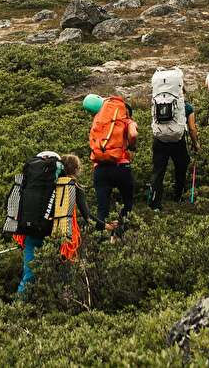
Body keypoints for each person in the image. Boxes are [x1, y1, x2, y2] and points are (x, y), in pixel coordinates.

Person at [16, 153, 96, 297]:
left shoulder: (33, 184)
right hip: (57, 237)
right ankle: (61, 306)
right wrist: (107, 226)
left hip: (31, 233)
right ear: (76, 170)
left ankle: (18, 309)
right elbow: (88, 217)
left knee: (29, 276)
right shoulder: (71, 186)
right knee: (63, 276)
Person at [88, 95, 138, 235]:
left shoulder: (100, 120)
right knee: (127, 203)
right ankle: (120, 233)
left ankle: (99, 241)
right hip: (121, 166)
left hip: (100, 168)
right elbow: (133, 135)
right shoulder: (127, 121)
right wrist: (131, 147)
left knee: (102, 208)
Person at [149, 95, 201, 211]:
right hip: (178, 141)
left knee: (158, 171)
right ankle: (178, 196)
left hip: (159, 141)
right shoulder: (187, 107)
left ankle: (154, 203)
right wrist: (196, 143)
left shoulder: (157, 103)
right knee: (181, 167)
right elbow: (192, 128)